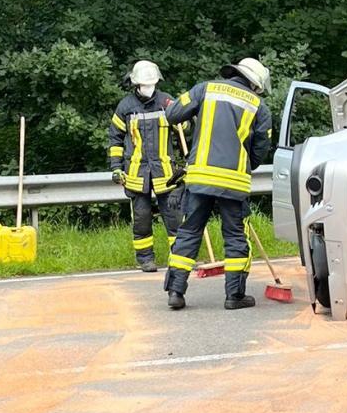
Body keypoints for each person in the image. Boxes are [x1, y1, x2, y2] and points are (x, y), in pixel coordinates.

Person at [163, 58, 273, 310]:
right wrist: (244, 162)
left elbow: (173, 114)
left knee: (189, 232)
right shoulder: (259, 106)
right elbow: (260, 149)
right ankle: (234, 296)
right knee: (235, 236)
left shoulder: (205, 89)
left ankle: (176, 292)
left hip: (200, 177)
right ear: (256, 84)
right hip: (233, 181)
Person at [108, 60, 183, 272]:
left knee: (174, 217)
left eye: (152, 84)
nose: (149, 87)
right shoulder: (125, 107)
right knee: (141, 219)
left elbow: (184, 130)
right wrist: (116, 167)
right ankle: (145, 259)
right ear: (136, 84)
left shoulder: (167, 102)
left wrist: (183, 120)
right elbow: (115, 138)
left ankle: (179, 257)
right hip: (136, 173)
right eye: (144, 84)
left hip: (165, 172)